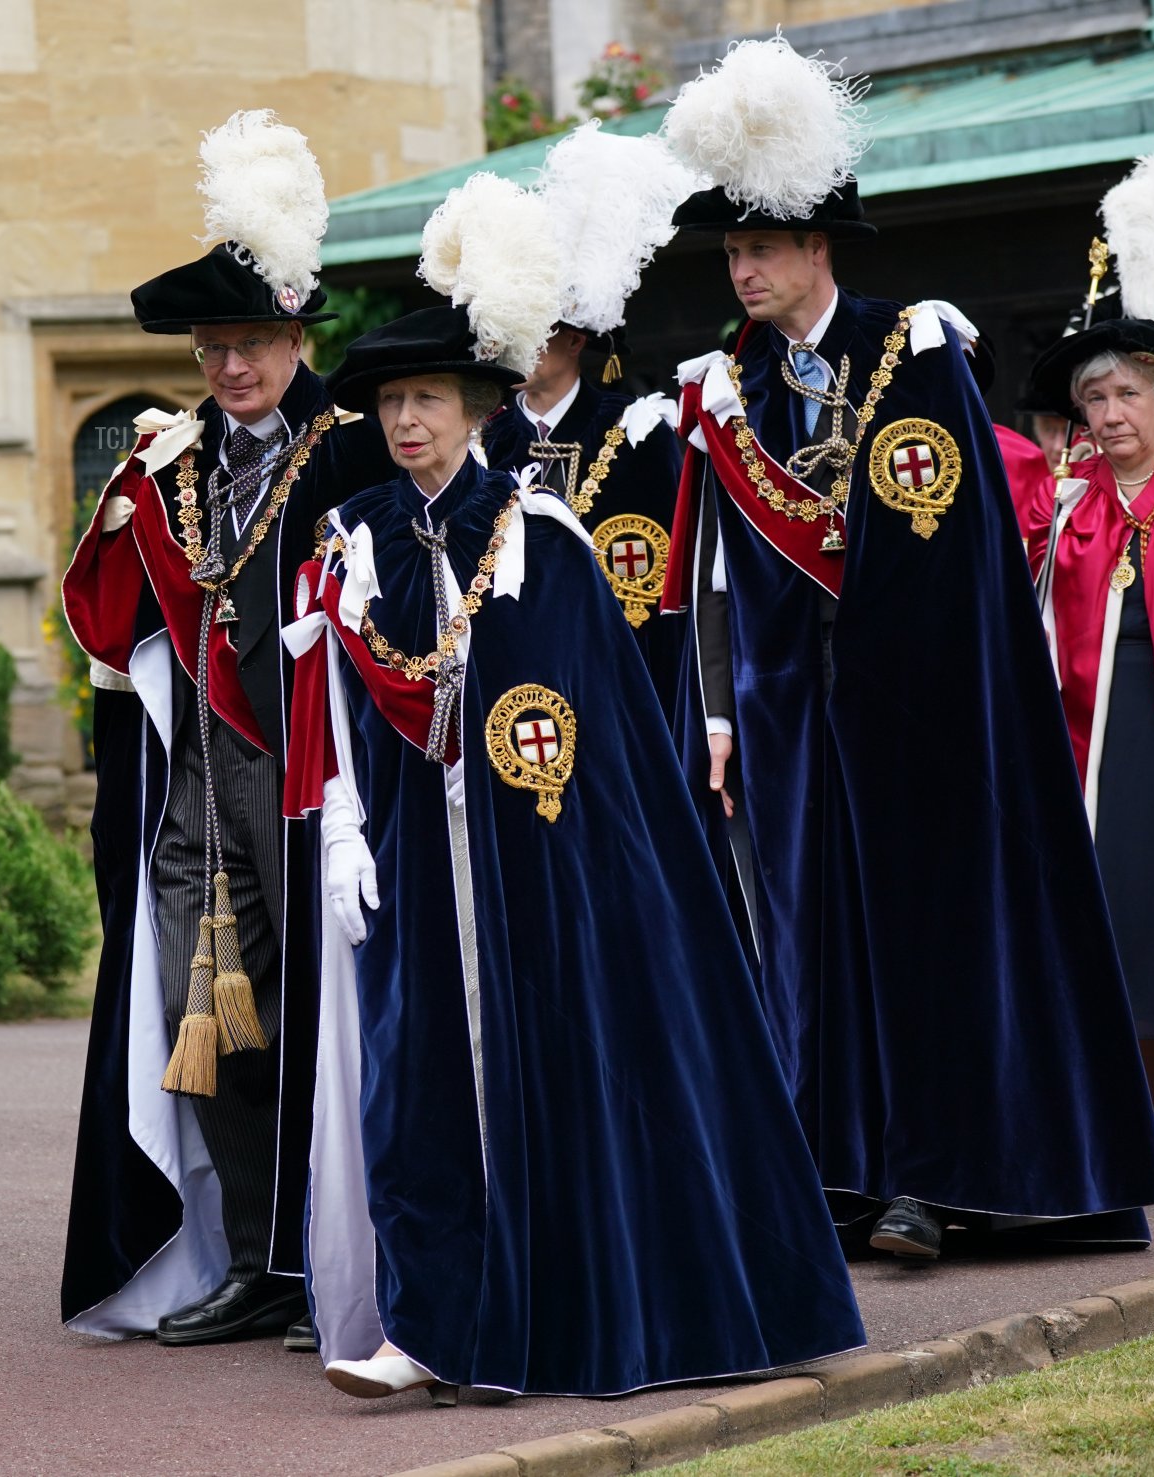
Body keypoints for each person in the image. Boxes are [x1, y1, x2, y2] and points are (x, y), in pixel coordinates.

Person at [282, 297, 866, 1400]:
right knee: (417, 1088)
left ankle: (550, 1318)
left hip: (533, 865)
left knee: (544, 1075)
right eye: (392, 403)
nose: (407, 421)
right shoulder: (358, 539)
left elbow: (580, 724)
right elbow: (344, 715)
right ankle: (431, 1323)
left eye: (428, 401)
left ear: (478, 409)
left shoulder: (536, 535)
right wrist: (351, 826)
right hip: (413, 865)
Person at [659, 36, 1154, 1257]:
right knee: (809, 947)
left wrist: (739, 452)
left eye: (763, 248)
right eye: (732, 251)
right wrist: (726, 703)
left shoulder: (913, 349)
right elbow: (723, 569)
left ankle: (933, 1177)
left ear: (818, 250)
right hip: (793, 711)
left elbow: (917, 538)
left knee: (919, 939)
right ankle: (836, 1164)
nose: (743, 270)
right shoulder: (729, 377)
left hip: (917, 702)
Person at [59, 111, 389, 1347]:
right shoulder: (175, 464)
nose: (229, 367)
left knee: (323, 1016)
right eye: (211, 347)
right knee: (215, 1016)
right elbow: (111, 623)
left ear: (295, 336)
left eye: (248, 343)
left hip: (310, 775)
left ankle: (335, 1256)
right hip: (194, 775)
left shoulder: (351, 453)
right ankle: (257, 1256)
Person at [1028, 319, 1154, 1199]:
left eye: (1128, 392)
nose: (1110, 411)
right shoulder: (1065, 512)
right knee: (1128, 930)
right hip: (1098, 744)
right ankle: (1150, 1127)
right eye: (1094, 398)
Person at [477, 123, 690, 720]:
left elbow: (667, 576)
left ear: (574, 339)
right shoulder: (482, 438)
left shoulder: (640, 433)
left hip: (621, 675)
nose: (514, 343)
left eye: (533, 328)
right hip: (511, 683)